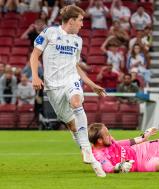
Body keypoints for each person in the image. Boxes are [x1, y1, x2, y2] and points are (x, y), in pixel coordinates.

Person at [30, 5, 107, 177]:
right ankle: (92, 158)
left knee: (76, 101)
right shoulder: (49, 33)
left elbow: (75, 66)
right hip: (53, 87)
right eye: (80, 20)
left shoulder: (77, 40)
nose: (82, 24)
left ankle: (87, 149)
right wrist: (35, 76)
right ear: (71, 20)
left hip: (71, 80)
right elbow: (34, 55)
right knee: (72, 125)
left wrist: (91, 84)